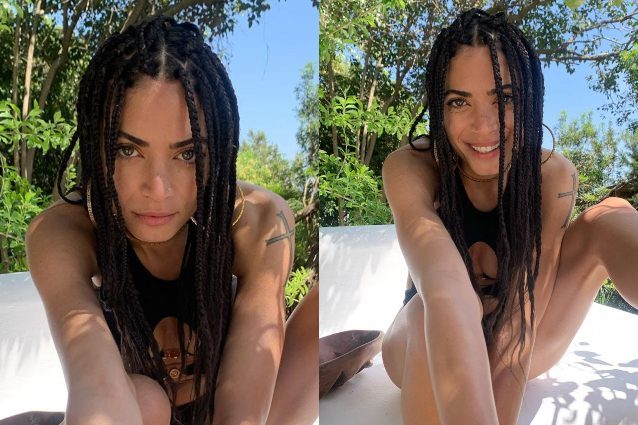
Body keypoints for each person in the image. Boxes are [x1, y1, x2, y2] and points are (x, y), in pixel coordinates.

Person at [25, 16, 318, 425]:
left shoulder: (259, 221)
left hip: (236, 407)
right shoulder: (64, 232)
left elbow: (244, 407)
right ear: (96, 147)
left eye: (187, 153)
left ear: (216, 153)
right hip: (140, 415)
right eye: (128, 150)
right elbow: (96, 384)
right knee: (148, 400)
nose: (158, 189)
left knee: (318, 307)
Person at [381, 8, 638, 425]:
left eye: (503, 99)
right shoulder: (411, 167)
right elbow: (443, 288)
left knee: (612, 215)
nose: (485, 125)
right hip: (423, 342)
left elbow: (522, 320)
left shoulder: (551, 176)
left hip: (521, 337)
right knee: (429, 308)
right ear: (439, 110)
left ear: (529, 100)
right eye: (459, 101)